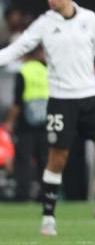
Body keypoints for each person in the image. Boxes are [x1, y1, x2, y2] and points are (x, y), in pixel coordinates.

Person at [0, 0, 95, 236]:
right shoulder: (44, 23)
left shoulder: (88, 19)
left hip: (90, 98)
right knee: (57, 159)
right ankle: (48, 217)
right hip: (61, 101)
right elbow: (16, 49)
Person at [2, 46, 48, 201]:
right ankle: (45, 194)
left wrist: (9, 122)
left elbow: (17, 102)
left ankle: (22, 194)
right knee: (44, 160)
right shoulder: (46, 71)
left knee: (23, 159)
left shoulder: (23, 71)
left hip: (25, 124)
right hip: (45, 121)